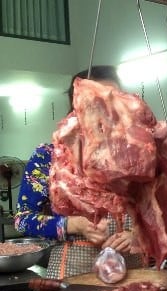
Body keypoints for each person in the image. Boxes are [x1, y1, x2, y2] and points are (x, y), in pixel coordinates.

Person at [14, 65, 144, 279]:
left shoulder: (135, 153)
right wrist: (70, 224)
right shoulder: (48, 156)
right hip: (74, 275)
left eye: (116, 99)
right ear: (79, 105)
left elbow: (156, 213)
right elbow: (23, 220)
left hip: (133, 273)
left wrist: (138, 235)